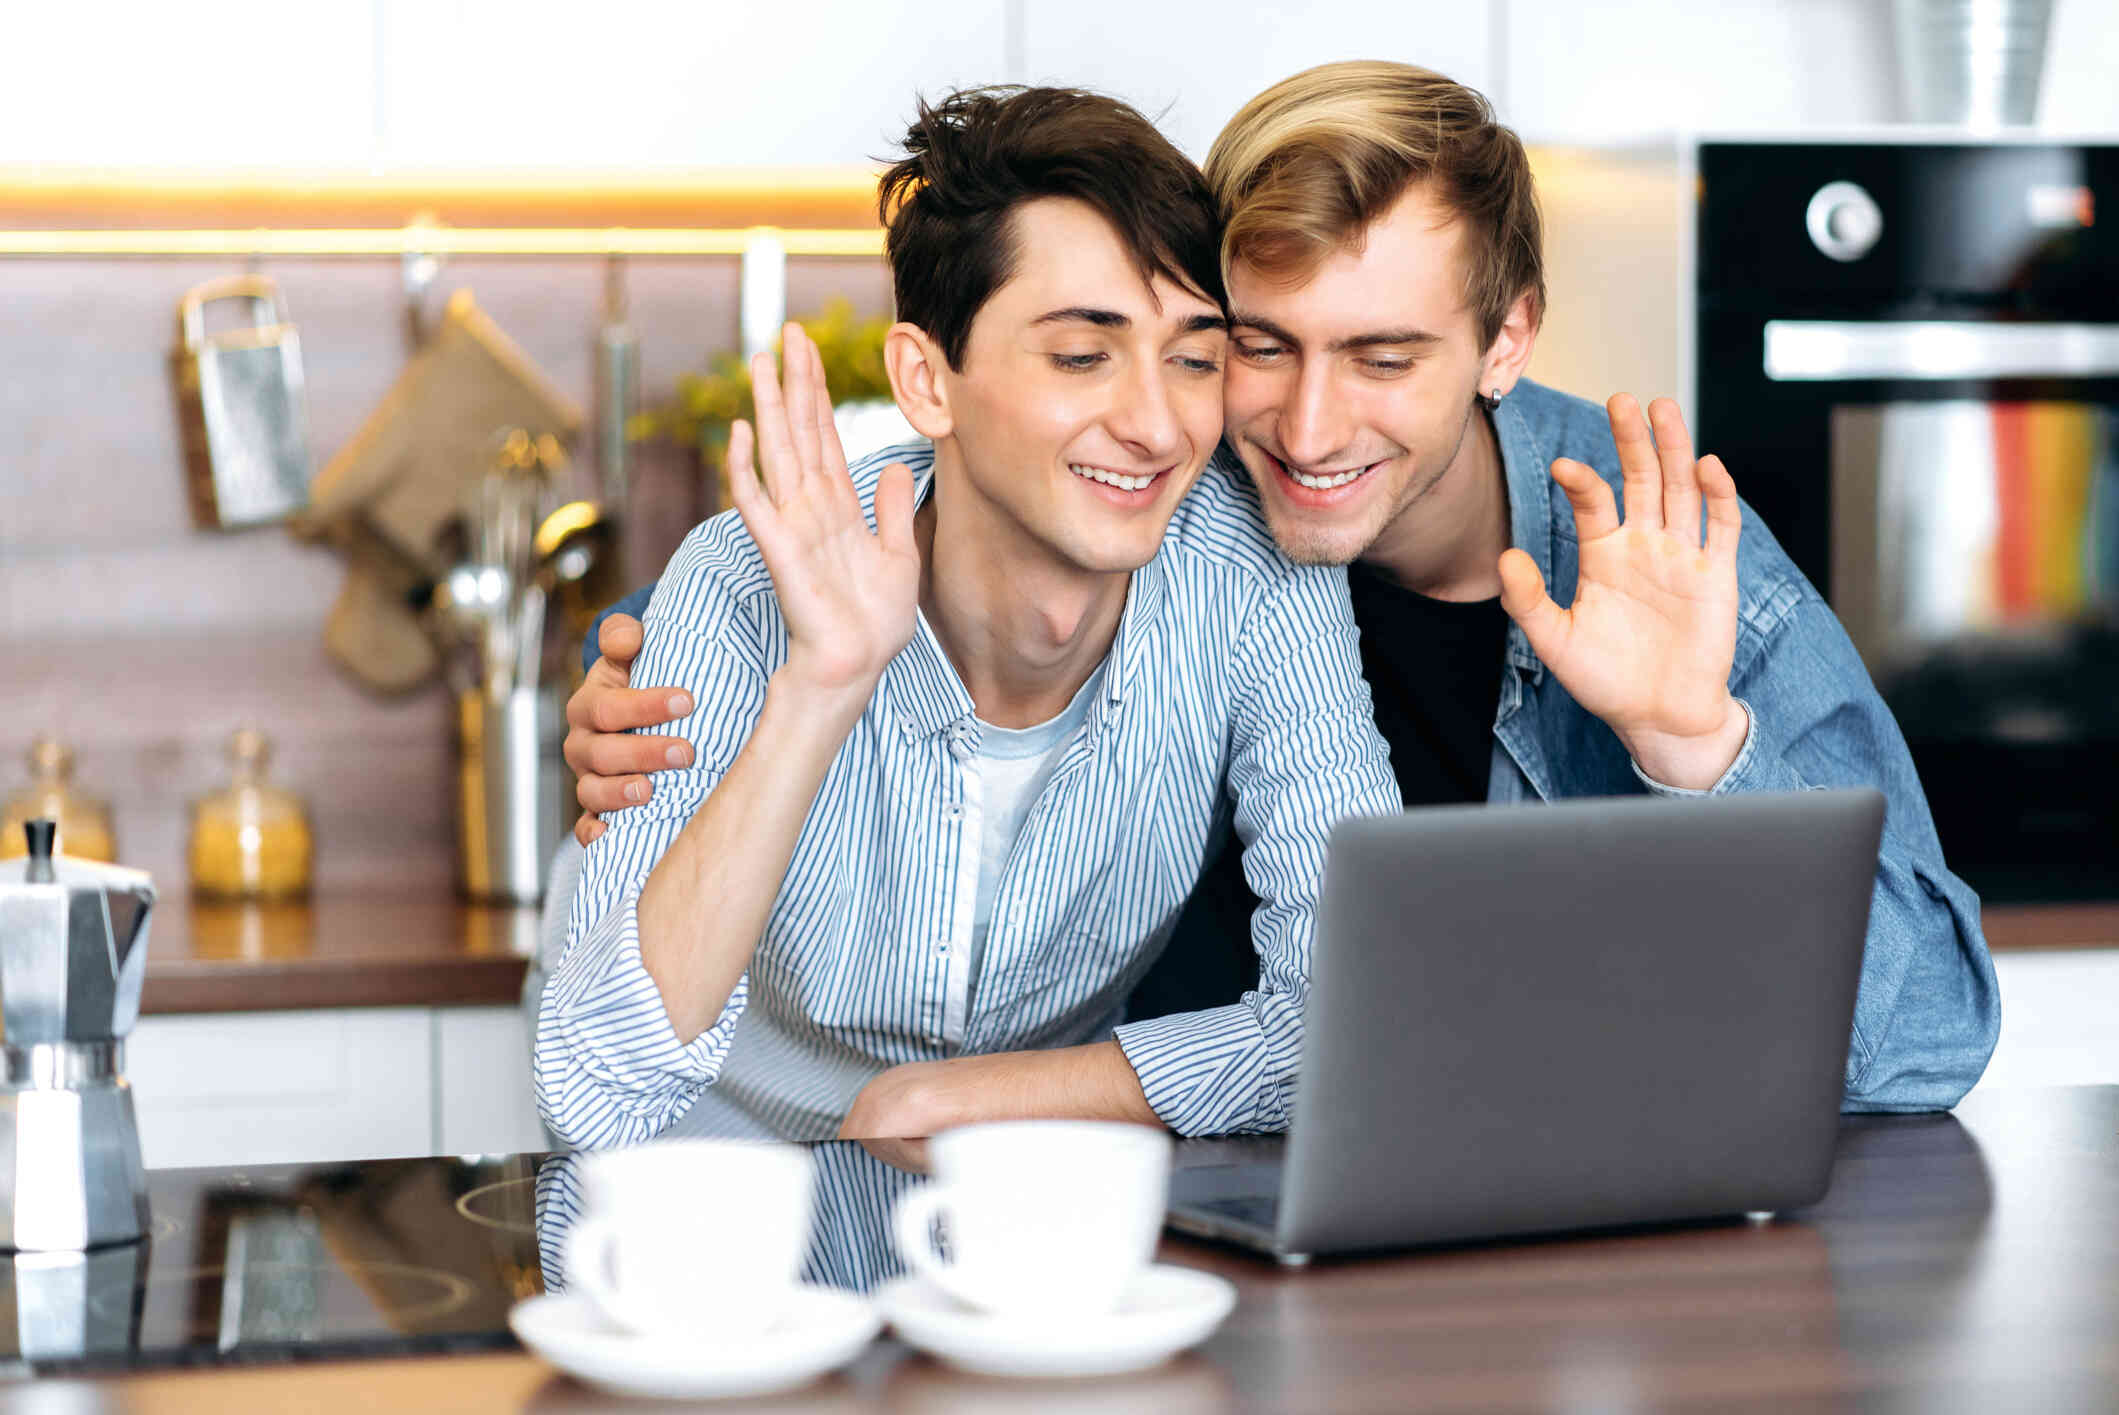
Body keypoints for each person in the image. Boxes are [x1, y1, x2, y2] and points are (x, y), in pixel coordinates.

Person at [564, 63, 1999, 1116]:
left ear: (1503, 341)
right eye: (1255, 345)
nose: (1305, 432)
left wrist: (1695, 750)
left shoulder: (1655, 563)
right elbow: (910, 521)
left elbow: (1928, 1036)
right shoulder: (1178, 502)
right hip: (1196, 1208)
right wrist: (659, 695)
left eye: (1383, 359)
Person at [534, 85, 1402, 1151]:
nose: (1153, 423)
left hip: (1025, 1216)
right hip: (728, 1222)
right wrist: (823, 682)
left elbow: (1357, 1022)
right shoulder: (742, 578)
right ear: (926, 380)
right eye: (1082, 355)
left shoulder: (1256, 580)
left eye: (1193, 357)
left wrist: (967, 1097)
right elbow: (593, 1088)